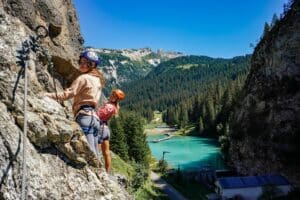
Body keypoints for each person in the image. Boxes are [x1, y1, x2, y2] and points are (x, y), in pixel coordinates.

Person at [45, 50, 105, 158]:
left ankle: (96, 173)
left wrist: (47, 95)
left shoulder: (83, 78)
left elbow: (67, 94)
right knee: (96, 152)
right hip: (95, 119)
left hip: (84, 117)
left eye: (85, 62)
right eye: (80, 62)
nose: (81, 64)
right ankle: (101, 174)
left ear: (91, 65)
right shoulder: (98, 80)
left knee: (90, 153)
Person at [97, 89, 125, 173]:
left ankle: (96, 169)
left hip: (100, 128)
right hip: (105, 129)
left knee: (96, 151)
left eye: (114, 96)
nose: (112, 95)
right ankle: (107, 172)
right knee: (106, 152)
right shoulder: (114, 106)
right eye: (112, 94)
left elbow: (99, 115)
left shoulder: (109, 106)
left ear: (116, 99)